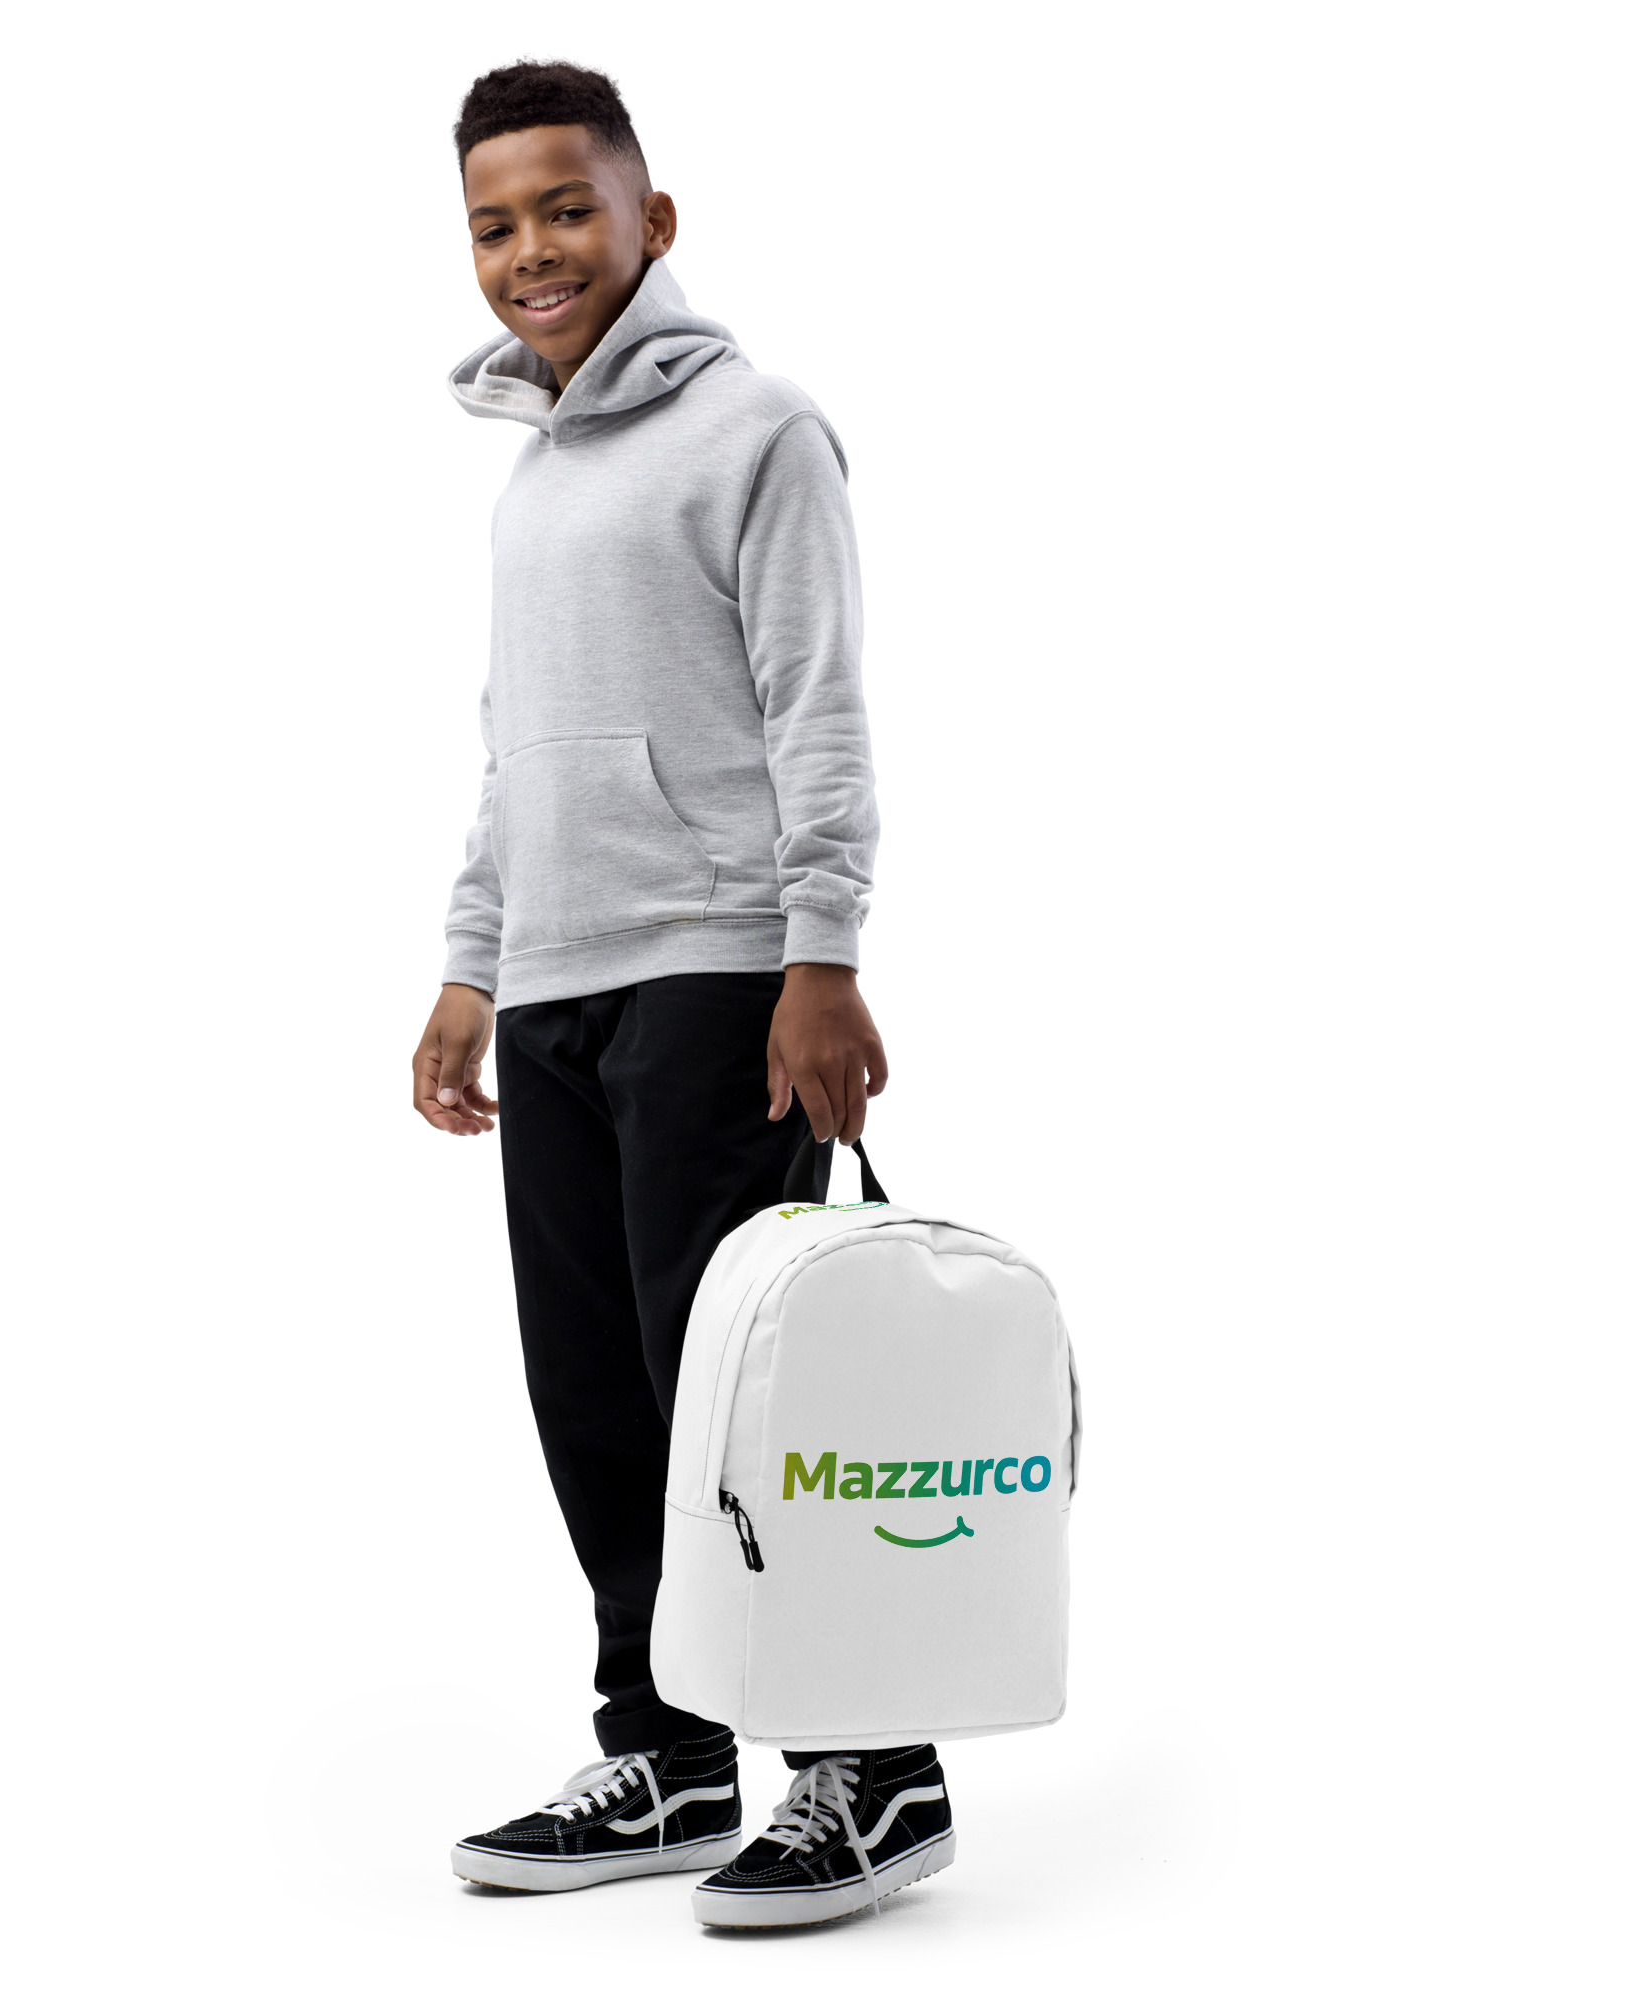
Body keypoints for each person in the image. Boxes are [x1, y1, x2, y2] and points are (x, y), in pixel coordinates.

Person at [411, 61, 952, 1927]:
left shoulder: (760, 431)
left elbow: (820, 705)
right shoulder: (527, 487)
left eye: (568, 207)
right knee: (595, 1387)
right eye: (495, 224)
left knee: (741, 1391)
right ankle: (669, 1747)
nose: (533, 250)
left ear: (653, 219)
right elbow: (512, 751)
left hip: (722, 972)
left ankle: (873, 1763)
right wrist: (471, 965)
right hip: (558, 988)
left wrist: (825, 953)